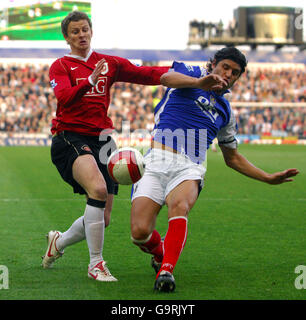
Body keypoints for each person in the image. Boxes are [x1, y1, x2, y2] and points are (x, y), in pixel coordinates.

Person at [130, 47, 299, 292]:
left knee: (180, 206)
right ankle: (160, 253)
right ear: (213, 64)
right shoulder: (190, 73)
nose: (229, 74)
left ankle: (166, 270)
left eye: (235, 72)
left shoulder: (226, 112)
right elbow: (165, 79)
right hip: (156, 160)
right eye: (225, 67)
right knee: (140, 232)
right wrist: (201, 82)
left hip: (190, 167)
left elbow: (233, 158)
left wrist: (268, 178)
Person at [41, 11, 169, 282]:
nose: (81, 35)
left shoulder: (108, 63)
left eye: (85, 29)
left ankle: (58, 243)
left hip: (104, 139)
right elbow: (63, 97)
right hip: (70, 136)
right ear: (67, 37)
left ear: (91, 31)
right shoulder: (61, 66)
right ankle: (96, 264)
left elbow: (145, 73)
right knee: (98, 190)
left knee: (104, 217)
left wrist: (182, 73)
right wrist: (88, 82)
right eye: (75, 32)